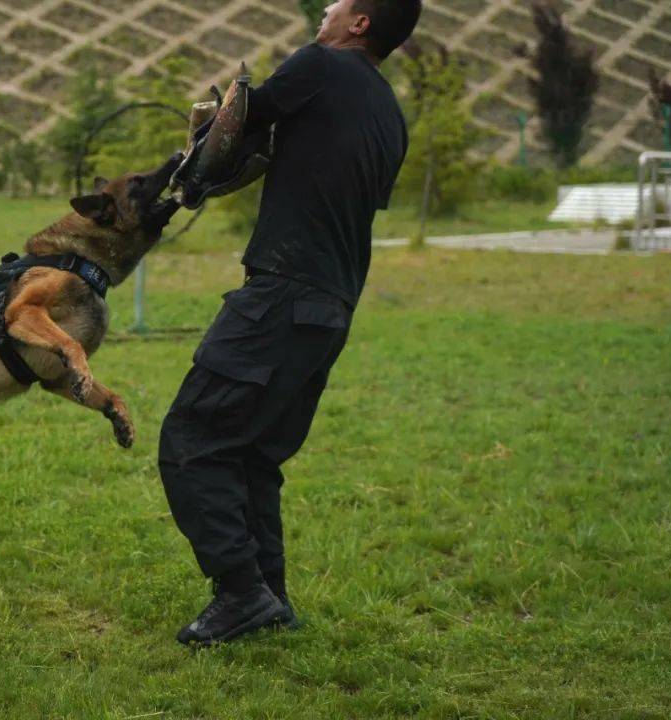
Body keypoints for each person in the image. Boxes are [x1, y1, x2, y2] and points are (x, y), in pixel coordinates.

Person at [158, 0, 421, 646]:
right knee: (253, 455)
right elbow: (314, 165)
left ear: (360, 23)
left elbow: (241, 123)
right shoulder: (390, 115)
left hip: (281, 293)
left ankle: (242, 593)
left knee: (191, 441)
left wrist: (195, 163)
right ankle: (269, 596)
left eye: (340, 2)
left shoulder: (320, 66)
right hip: (331, 306)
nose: (327, 7)